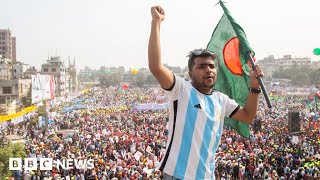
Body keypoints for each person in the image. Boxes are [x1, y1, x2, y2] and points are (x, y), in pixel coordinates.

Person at [148, 6, 264, 180]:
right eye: (201, 66)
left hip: (206, 176)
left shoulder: (221, 100)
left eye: (211, 66)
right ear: (190, 73)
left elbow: (248, 117)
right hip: (177, 175)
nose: (208, 70)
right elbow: (156, 67)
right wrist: (156, 22)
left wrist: (254, 87)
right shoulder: (181, 89)